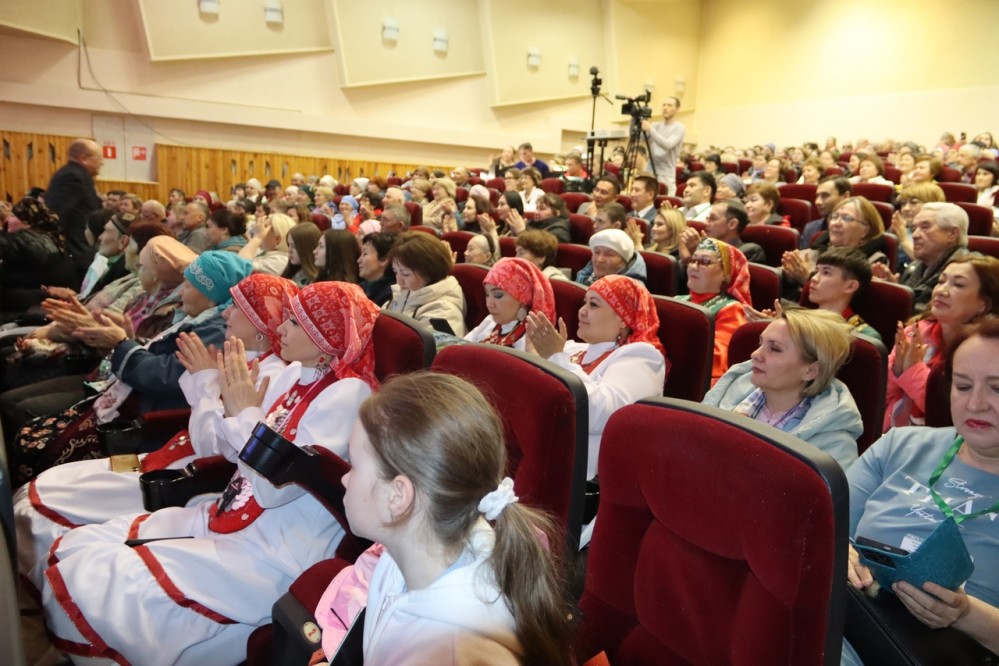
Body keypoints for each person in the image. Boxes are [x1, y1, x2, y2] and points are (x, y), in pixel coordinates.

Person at [33, 282, 379, 665]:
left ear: (327, 336)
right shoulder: (296, 374)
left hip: (272, 550)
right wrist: (218, 396)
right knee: (79, 549)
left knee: (96, 581)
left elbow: (273, 490)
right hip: (228, 518)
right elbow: (227, 450)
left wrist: (242, 412)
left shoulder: (349, 393)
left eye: (296, 322)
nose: (281, 327)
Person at [13, 273, 297, 578]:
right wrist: (205, 384)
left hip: (183, 475)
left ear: (260, 322)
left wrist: (205, 384)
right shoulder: (241, 358)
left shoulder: (270, 376)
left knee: (47, 507)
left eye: (237, 307)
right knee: (58, 481)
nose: (225, 312)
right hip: (163, 456)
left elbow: (214, 448)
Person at [320, 372, 572, 665]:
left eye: (354, 465)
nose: (344, 478)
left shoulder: (452, 653)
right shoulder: (402, 558)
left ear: (397, 495)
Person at [10, 251, 253, 485]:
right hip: (125, 395)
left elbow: (166, 376)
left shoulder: (216, 330)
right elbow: (158, 354)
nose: (181, 292)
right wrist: (126, 339)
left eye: (189, 286)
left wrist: (121, 342)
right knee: (28, 430)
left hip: (144, 419)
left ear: (210, 294)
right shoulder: (199, 318)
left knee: (32, 438)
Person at [844, 319, 999, 664]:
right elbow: (826, 527)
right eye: (962, 386)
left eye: (998, 389)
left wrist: (965, 614)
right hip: (847, 615)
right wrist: (841, 554)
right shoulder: (901, 444)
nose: (975, 404)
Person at [525, 274, 667, 479]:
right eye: (584, 302)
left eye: (593, 305)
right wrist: (533, 356)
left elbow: (601, 416)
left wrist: (555, 357)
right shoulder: (572, 348)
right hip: (545, 455)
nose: (582, 311)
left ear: (622, 318)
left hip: (584, 477)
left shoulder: (642, 356)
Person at [704, 307, 862, 469]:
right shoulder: (731, 389)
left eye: (774, 349)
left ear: (811, 371)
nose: (755, 354)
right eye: (760, 343)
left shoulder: (833, 445)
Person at [884, 255, 999, 431]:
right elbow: (880, 396)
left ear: (983, 304)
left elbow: (950, 414)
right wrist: (897, 370)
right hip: (895, 432)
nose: (942, 291)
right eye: (941, 281)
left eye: (958, 285)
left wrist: (912, 372)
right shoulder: (917, 332)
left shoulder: (986, 350)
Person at [678, 238, 751, 383]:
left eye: (704, 262)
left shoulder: (731, 310)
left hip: (694, 381)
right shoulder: (677, 300)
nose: (694, 267)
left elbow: (716, 360)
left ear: (725, 274)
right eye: (692, 260)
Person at [875, 202, 969, 313]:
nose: (915, 235)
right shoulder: (915, 266)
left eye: (925, 227)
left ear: (952, 234)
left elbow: (938, 315)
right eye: (914, 228)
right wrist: (896, 290)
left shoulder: (966, 271)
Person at [0, 197, 76, 313]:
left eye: (13, 216)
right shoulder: (49, 237)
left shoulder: (27, 239)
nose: (8, 219)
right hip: (48, 302)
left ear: (27, 222)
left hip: (36, 307)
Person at [385, 232, 467, 336]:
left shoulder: (443, 313)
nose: (399, 282)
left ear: (430, 272)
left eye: (405, 274)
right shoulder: (403, 293)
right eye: (395, 272)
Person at [464, 258, 555, 351]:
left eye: (498, 296)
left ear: (522, 298)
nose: (489, 304)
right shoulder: (489, 322)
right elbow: (460, 348)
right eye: (487, 294)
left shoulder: (536, 338)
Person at [45, 139, 104, 279]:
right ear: (83, 158)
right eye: (99, 158)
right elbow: (57, 215)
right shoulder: (72, 176)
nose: (102, 163)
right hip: (76, 251)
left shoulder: (79, 175)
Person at [805, 247, 881, 341]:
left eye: (826, 273)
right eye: (816, 271)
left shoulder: (862, 336)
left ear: (850, 286)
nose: (814, 278)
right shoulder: (801, 319)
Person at [679, 200, 766, 265]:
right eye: (707, 218)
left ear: (732, 224)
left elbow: (723, 281)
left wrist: (697, 253)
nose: (706, 223)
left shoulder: (748, 251)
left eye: (713, 218)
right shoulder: (706, 245)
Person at [885, 182, 946, 266]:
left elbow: (932, 265)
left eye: (913, 203)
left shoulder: (941, 233)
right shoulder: (902, 228)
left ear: (932, 204)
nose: (906, 209)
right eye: (903, 203)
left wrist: (904, 241)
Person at [642, 96, 685, 195]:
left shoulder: (679, 128)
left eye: (669, 105)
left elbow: (668, 145)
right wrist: (635, 119)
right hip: (649, 170)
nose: (665, 108)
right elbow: (639, 137)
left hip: (666, 174)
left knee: (665, 201)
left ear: (677, 109)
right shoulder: (655, 125)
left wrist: (651, 129)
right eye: (664, 105)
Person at [575, 228, 648, 286]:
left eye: (609, 254)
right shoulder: (586, 274)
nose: (599, 259)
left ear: (624, 262)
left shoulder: (631, 290)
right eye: (597, 252)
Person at [800, 176, 852, 249]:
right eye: (817, 196)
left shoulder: (856, 230)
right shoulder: (810, 228)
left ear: (845, 196)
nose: (817, 202)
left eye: (825, 196)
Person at [506, 192, 571, 243]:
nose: (536, 212)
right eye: (537, 208)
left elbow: (541, 250)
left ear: (557, 213)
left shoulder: (560, 231)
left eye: (542, 209)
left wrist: (521, 232)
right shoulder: (533, 223)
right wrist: (514, 231)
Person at [355, 231, 396, 306]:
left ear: (383, 259)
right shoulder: (359, 288)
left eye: (365, 254)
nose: (358, 260)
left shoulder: (391, 295)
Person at [282, 221, 322, 285]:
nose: (289, 250)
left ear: (308, 248)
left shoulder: (318, 281)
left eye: (294, 246)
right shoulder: (291, 273)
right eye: (289, 245)